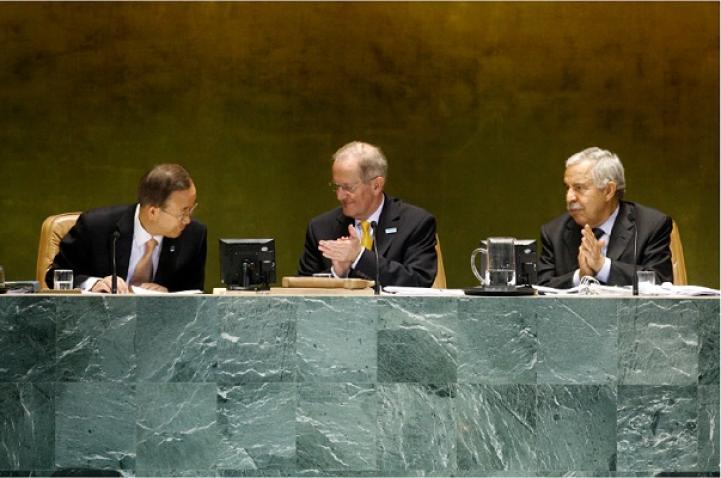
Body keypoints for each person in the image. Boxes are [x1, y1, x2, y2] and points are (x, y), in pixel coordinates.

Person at [47, 164, 207, 293]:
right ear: (153, 211)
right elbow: (55, 275)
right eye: (183, 212)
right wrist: (95, 283)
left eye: (191, 210)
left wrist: (168, 296)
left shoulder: (193, 235)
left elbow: (194, 293)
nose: (187, 220)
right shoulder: (96, 226)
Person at [298, 141, 437, 287]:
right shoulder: (321, 228)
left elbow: (418, 282)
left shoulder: (415, 223)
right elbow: (302, 292)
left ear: (376, 185)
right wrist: (337, 274)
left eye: (348, 187)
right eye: (337, 187)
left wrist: (359, 256)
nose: (339, 196)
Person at [538, 147, 673, 288]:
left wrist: (602, 267)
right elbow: (540, 287)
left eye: (579, 188)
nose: (569, 197)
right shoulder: (554, 232)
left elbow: (660, 282)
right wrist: (580, 277)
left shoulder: (650, 225)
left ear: (608, 191)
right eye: (567, 188)